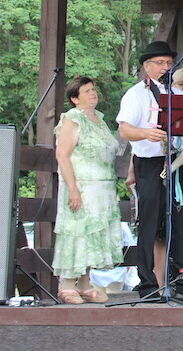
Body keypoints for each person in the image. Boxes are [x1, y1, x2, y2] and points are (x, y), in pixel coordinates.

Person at [117, 40, 183, 303]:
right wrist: (147, 133)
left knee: (182, 222)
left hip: (176, 162)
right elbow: (124, 129)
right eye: (160, 63)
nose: (165, 67)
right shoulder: (136, 94)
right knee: (149, 224)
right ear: (147, 66)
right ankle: (147, 284)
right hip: (150, 164)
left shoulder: (176, 94)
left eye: (168, 63)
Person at [53, 77, 122, 304]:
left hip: (102, 187)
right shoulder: (72, 118)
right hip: (82, 184)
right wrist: (73, 189)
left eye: (93, 89)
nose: (93, 93)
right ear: (75, 98)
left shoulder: (99, 119)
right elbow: (62, 155)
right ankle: (67, 284)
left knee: (94, 234)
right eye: (86, 91)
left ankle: (84, 283)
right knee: (78, 232)